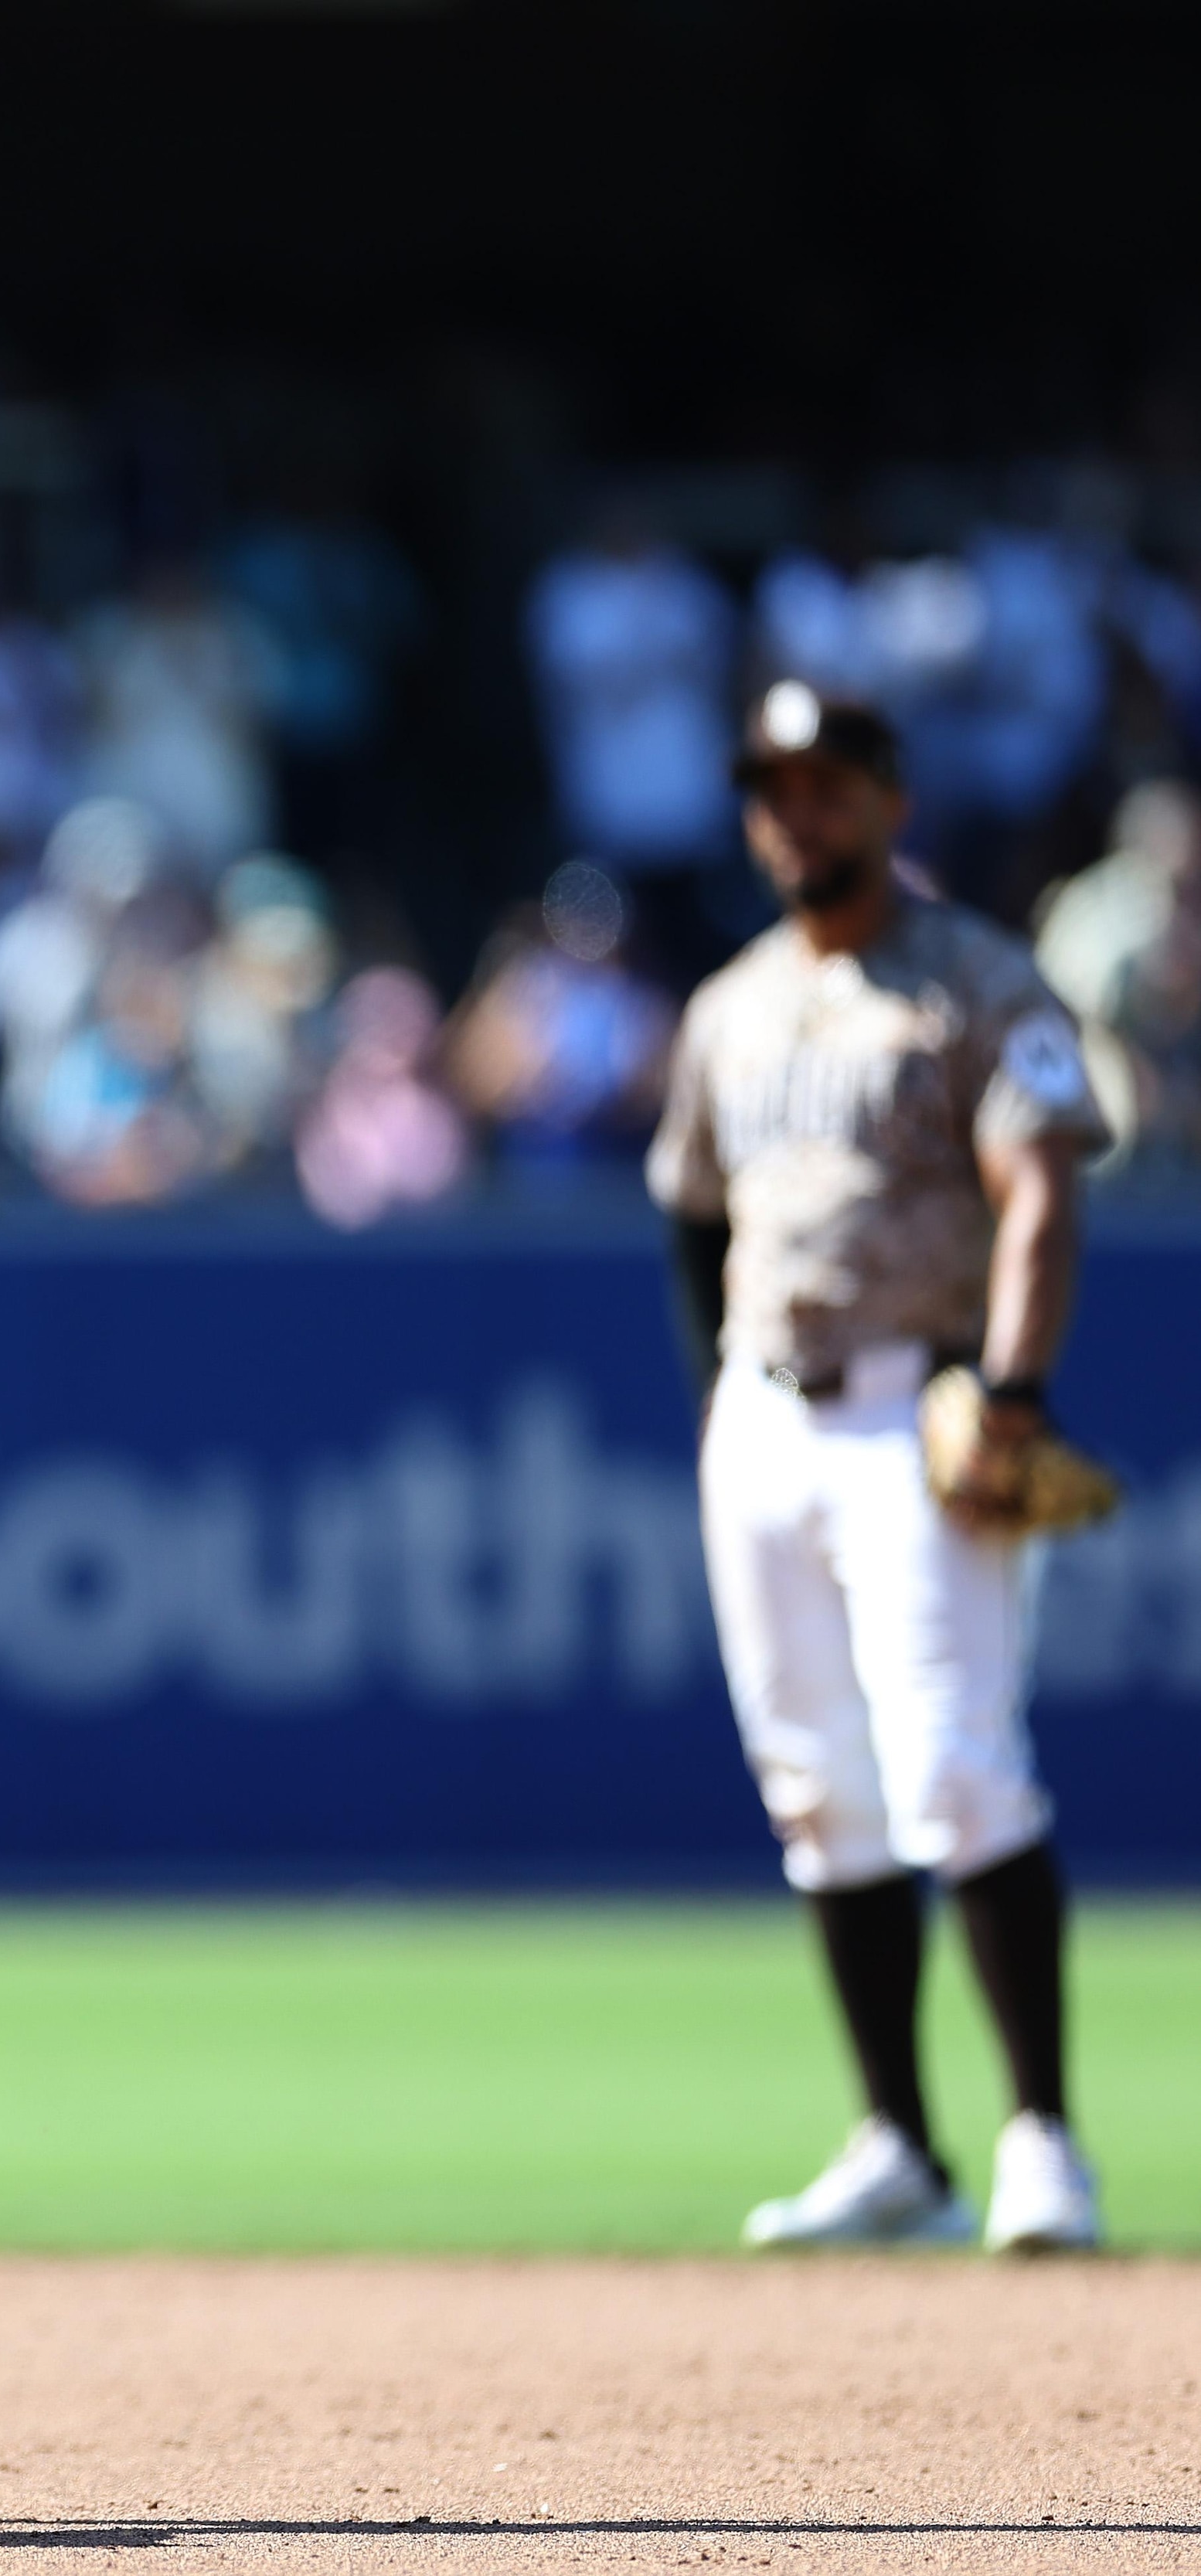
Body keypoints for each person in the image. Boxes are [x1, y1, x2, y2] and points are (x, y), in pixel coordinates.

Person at [648, 681, 1114, 2254]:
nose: (796, 812)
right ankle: (899, 2146)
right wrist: (722, 1396)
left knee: (958, 1765)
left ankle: (1043, 2137)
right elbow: (693, 1215)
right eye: (772, 787)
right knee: (815, 1789)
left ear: (889, 799)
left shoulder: (972, 978)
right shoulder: (728, 1005)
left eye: (825, 783)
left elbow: (1040, 1189)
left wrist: (1016, 1386)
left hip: (922, 1412)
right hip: (767, 1413)